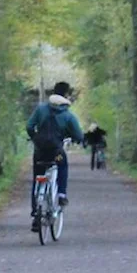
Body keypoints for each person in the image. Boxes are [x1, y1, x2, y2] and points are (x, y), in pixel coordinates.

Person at [26, 81, 85, 231]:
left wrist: (35, 138)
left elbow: (29, 126)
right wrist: (76, 139)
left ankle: (35, 213)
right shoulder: (67, 115)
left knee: (37, 177)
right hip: (56, 154)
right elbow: (78, 135)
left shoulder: (41, 109)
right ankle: (61, 194)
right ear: (66, 95)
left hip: (39, 153)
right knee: (62, 164)